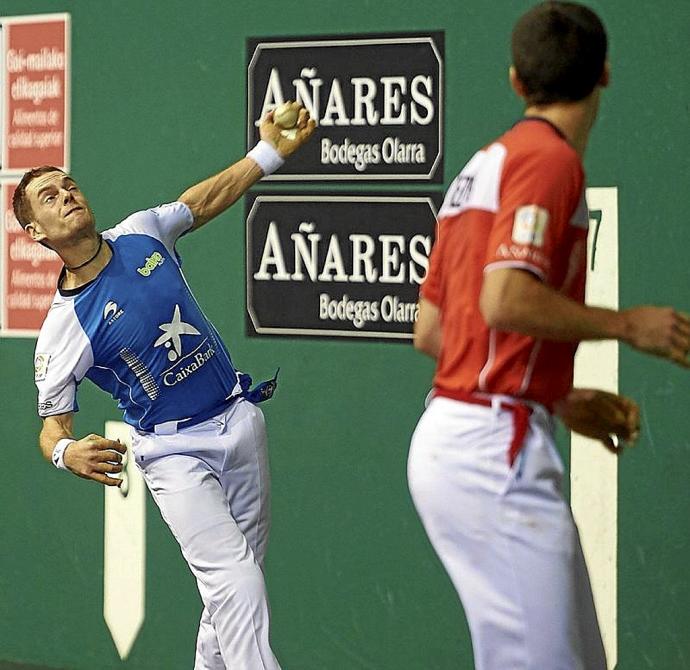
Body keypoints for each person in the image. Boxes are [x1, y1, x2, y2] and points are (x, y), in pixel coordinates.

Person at [408, 3, 689, 669]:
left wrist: (554, 395)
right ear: (606, 75)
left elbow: (434, 331)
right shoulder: (549, 164)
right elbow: (503, 299)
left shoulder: (485, 166)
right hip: (489, 451)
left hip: (470, 435)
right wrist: (628, 326)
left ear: (515, 81)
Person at [15, 103, 316, 670]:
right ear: (36, 232)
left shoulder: (140, 233)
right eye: (50, 198)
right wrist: (63, 451)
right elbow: (52, 426)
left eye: (69, 185)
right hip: (173, 451)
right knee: (236, 582)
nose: (67, 196)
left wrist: (270, 153)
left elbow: (201, 201)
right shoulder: (62, 330)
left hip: (240, 418)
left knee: (232, 585)